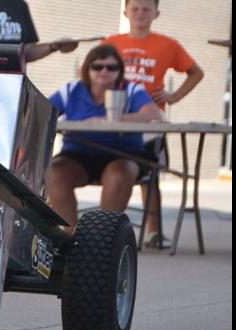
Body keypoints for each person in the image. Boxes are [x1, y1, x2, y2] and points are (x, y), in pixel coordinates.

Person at [102, 0, 204, 249]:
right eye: (135, 9)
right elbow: (95, 73)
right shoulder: (111, 42)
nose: (140, 14)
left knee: (150, 173)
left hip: (150, 119)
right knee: (109, 166)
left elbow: (196, 72)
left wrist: (173, 96)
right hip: (116, 117)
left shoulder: (168, 45)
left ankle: (154, 231)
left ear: (156, 14)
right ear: (125, 12)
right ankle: (101, 228)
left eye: (146, 9)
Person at [45, 43, 164, 232]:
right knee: (54, 173)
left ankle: (102, 236)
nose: (104, 71)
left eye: (112, 67)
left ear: (120, 70)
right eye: (97, 66)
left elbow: (154, 114)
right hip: (77, 154)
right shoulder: (71, 89)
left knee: (119, 176)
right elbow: (44, 113)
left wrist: (111, 120)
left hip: (123, 153)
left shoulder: (132, 89)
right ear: (87, 68)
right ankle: (69, 237)